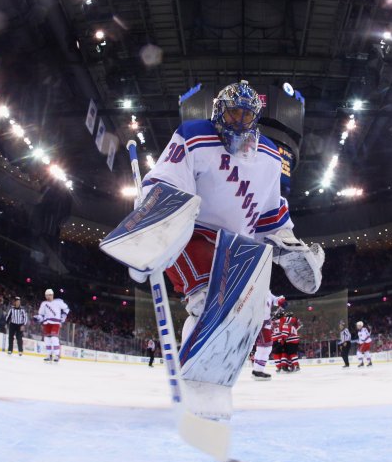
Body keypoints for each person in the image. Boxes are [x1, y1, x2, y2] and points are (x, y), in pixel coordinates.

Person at [100, 81, 325, 419]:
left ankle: (213, 389)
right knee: (209, 303)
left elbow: (269, 211)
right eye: (233, 112)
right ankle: (199, 389)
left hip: (236, 246)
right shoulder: (194, 134)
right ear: (218, 111)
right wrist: (151, 226)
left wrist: (286, 243)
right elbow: (166, 183)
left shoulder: (268, 155)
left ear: (256, 118)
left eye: (246, 114)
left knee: (242, 317)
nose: (239, 122)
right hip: (192, 232)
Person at [252, 293, 284, 380]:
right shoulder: (256, 288)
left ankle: (257, 370)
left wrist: (280, 301)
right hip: (258, 321)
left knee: (264, 347)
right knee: (265, 347)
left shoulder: (266, 291)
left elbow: (274, 300)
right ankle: (257, 371)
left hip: (264, 322)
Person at [34, 289, 69, 362]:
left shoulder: (58, 302)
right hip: (46, 323)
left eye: (49, 295)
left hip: (55, 322)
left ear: (52, 295)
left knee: (54, 338)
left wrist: (64, 316)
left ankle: (56, 355)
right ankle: (49, 354)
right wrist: (38, 318)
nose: (48, 296)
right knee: (47, 339)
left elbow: (66, 308)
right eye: (46, 295)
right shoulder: (44, 303)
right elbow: (41, 314)